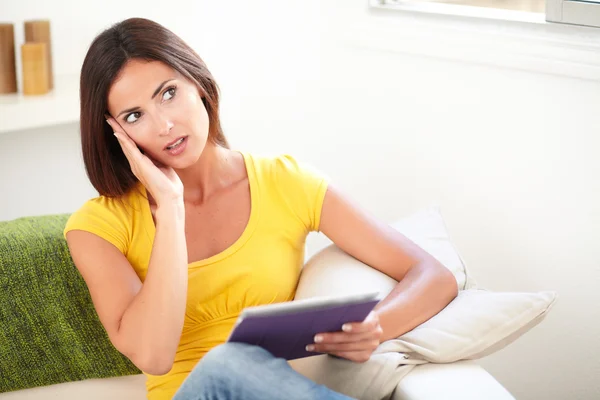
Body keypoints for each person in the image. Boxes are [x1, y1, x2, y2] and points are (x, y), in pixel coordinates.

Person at [64, 17, 458, 400]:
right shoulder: (98, 227)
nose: (164, 125)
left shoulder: (284, 182)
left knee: (236, 363)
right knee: (226, 363)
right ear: (117, 134)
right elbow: (154, 355)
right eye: (135, 116)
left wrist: (376, 326)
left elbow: (432, 275)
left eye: (168, 93)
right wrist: (170, 209)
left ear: (198, 84)